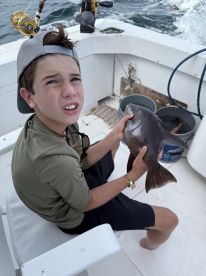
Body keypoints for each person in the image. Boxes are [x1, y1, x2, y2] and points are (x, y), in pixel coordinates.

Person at [12, 25, 178, 250]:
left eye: (74, 78)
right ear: (29, 97)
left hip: (68, 180)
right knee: (170, 220)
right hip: (75, 214)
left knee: (112, 145)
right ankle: (149, 245)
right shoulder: (52, 158)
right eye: (52, 81)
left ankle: (106, 177)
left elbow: (78, 158)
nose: (70, 91)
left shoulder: (56, 121)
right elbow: (86, 202)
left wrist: (114, 136)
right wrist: (133, 175)